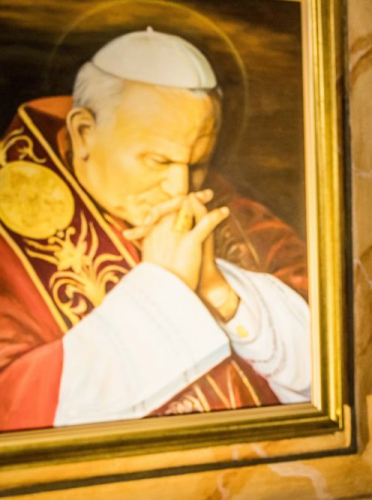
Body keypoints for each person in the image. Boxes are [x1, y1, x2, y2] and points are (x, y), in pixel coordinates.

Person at [0, 29, 311, 431]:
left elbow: (335, 367)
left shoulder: (229, 209)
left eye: (197, 163)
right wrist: (165, 286)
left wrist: (222, 293)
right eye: (157, 161)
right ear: (83, 133)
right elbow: (16, 409)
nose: (180, 188)